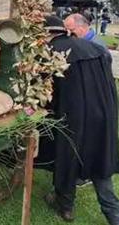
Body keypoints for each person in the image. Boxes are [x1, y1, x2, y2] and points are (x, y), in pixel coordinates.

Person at [38, 16, 119, 224]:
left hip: (72, 117)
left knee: (67, 158)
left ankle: (66, 207)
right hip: (102, 115)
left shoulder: (50, 54)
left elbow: (47, 95)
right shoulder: (96, 49)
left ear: (47, 34)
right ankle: (113, 215)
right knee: (100, 160)